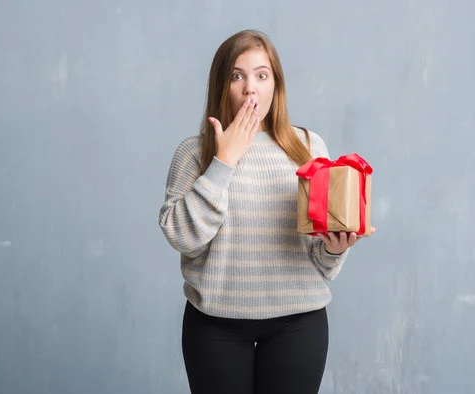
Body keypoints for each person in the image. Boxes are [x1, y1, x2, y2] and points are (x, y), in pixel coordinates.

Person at [158, 29, 376, 394]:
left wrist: (336, 248)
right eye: (237, 75)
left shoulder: (308, 146)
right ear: (221, 85)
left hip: (298, 324)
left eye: (262, 75)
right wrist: (224, 161)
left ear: (276, 84)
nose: (250, 89)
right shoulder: (194, 153)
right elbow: (183, 238)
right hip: (215, 327)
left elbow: (320, 259)